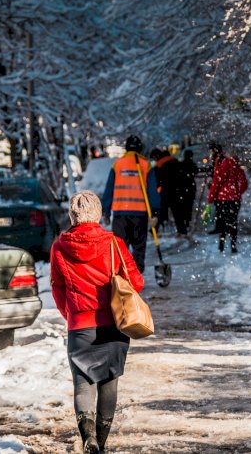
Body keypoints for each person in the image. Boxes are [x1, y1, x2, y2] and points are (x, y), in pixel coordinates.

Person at [51, 191, 145, 454]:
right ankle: (101, 443)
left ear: (72, 215)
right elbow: (136, 283)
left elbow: (57, 288)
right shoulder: (114, 243)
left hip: (79, 326)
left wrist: (70, 315)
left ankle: (87, 437)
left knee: (82, 383)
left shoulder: (59, 247)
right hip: (112, 325)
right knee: (109, 382)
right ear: (98, 213)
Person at [101, 135, 160, 272]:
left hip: (120, 215)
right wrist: (155, 212)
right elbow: (152, 191)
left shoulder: (118, 164)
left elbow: (109, 189)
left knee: (120, 248)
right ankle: (136, 276)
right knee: (139, 247)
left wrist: (106, 210)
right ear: (140, 148)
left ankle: (121, 277)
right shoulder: (146, 165)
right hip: (140, 214)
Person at [204, 146, 248, 253]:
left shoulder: (221, 168)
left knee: (223, 221)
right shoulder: (237, 168)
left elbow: (214, 186)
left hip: (222, 199)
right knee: (233, 221)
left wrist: (210, 200)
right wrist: (237, 192)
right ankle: (233, 245)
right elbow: (244, 183)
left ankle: (221, 244)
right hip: (235, 199)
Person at [151, 149, 187, 235]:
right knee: (177, 212)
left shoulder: (159, 166)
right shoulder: (175, 162)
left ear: (157, 156)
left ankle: (155, 229)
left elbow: (156, 180)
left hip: (165, 192)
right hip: (177, 191)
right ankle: (182, 230)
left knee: (161, 211)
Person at [177, 149, 198, 234]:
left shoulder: (181, 165)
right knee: (188, 207)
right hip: (190, 188)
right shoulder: (192, 165)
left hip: (182, 189)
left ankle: (183, 223)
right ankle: (187, 222)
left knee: (182, 207)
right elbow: (195, 172)